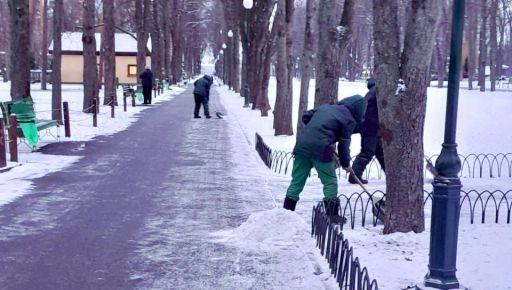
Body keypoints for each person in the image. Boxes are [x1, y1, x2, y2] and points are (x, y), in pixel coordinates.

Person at [283, 95, 367, 224]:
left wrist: (316, 131)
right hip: (320, 151)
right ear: (358, 110)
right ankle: (332, 215)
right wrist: (346, 164)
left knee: (297, 180)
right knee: (330, 181)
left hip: (302, 146)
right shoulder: (349, 120)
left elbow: (306, 116)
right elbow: (344, 145)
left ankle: (286, 212)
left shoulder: (325, 107)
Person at [349, 77, 386, 184]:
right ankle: (354, 176)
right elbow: (373, 113)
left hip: (369, 126)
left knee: (380, 151)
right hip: (371, 127)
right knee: (367, 152)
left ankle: (391, 175)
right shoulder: (377, 92)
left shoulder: (371, 93)